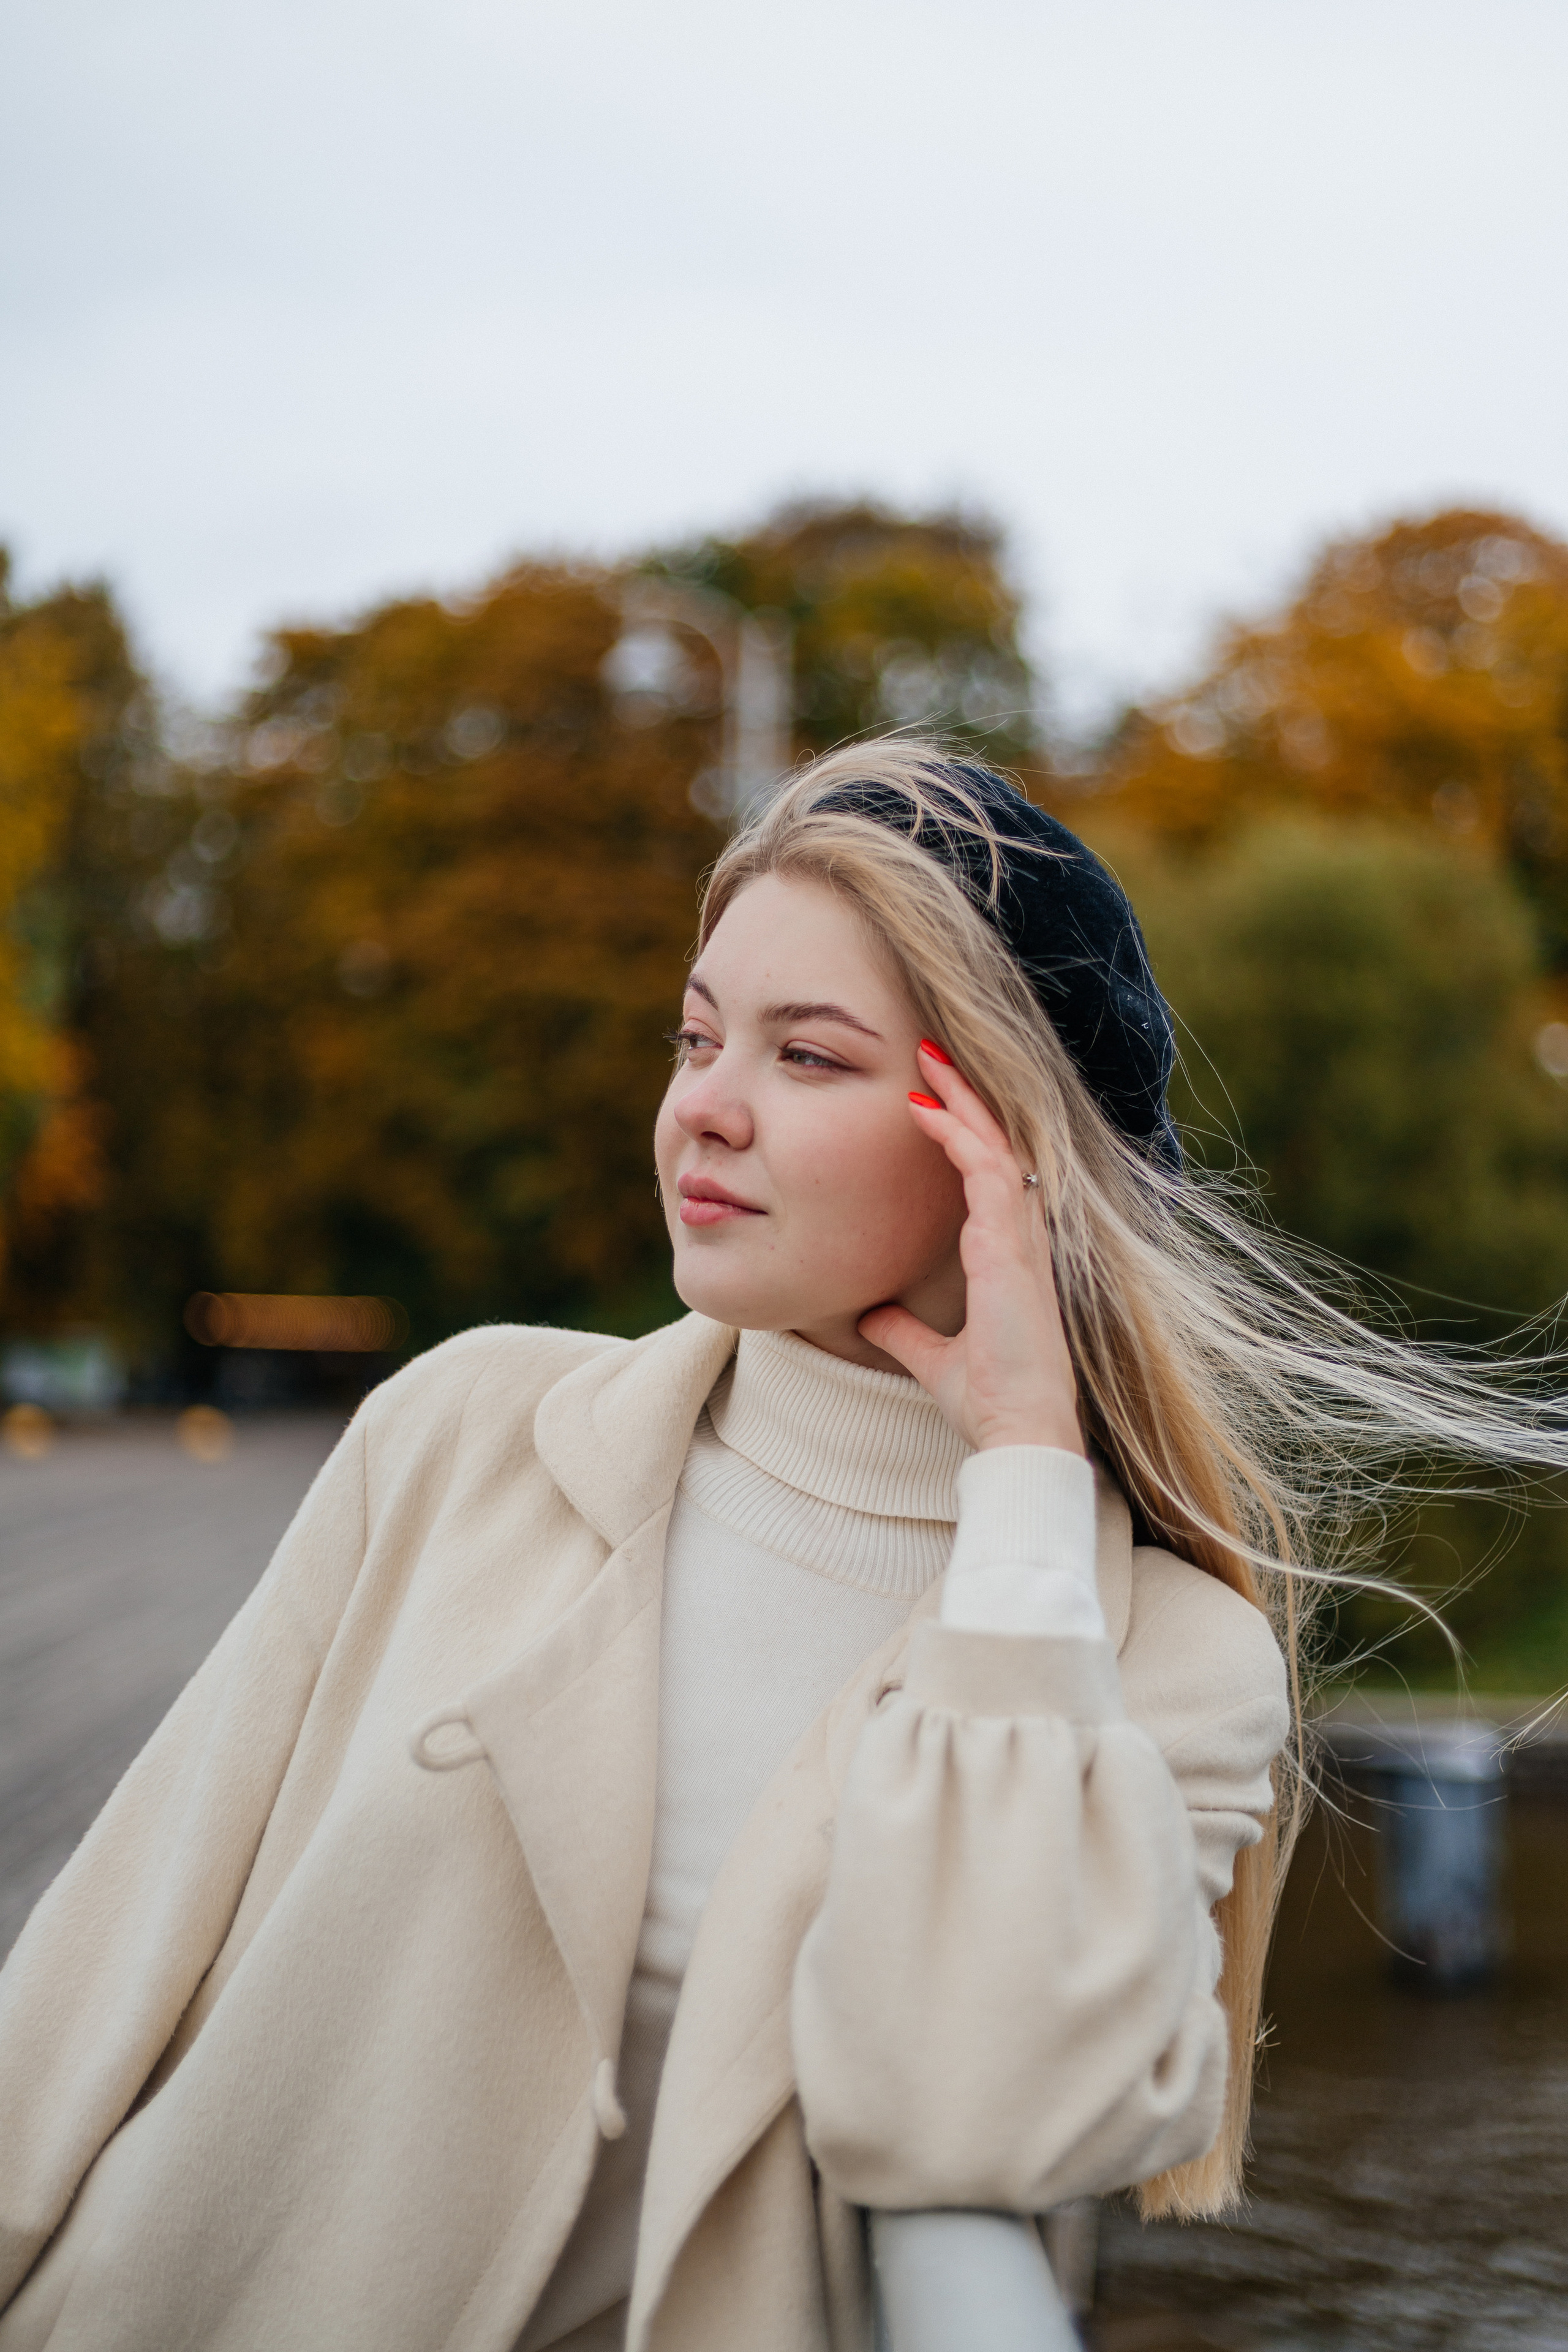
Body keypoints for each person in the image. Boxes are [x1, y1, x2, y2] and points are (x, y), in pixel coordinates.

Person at [0, 740, 1552, 2352]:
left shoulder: (1166, 1659)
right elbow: (101, 1973)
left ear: (1006, 1148)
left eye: (807, 1056)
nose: (703, 1108)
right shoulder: (461, 1433)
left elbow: (971, 2123)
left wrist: (1026, 1487)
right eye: (695, 1037)